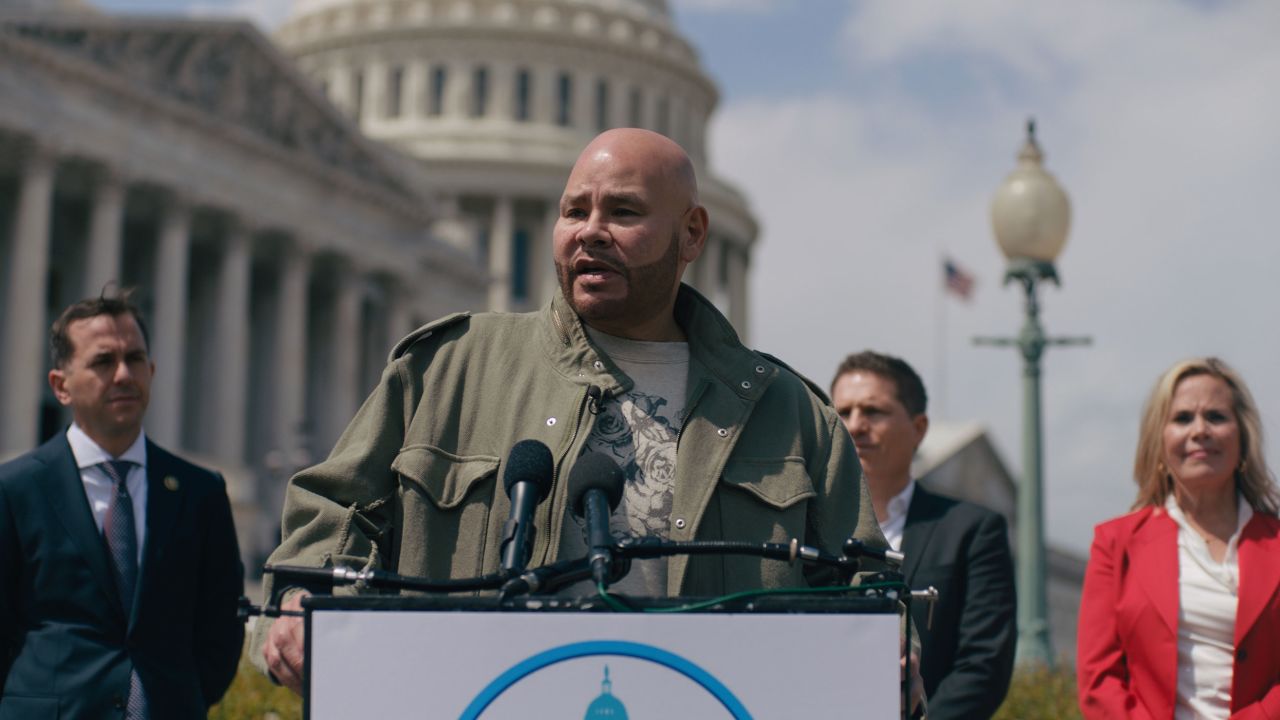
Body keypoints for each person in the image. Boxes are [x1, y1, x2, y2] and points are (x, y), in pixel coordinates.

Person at [254, 128, 892, 696]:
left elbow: (865, 587)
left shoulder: (789, 412)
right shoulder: (448, 369)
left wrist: (894, 657)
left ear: (692, 233)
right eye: (573, 211)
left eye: (624, 211)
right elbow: (333, 511)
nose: (590, 230)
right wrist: (302, 599)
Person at [0, 291, 245, 718]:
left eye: (134, 359)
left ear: (151, 371)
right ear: (60, 386)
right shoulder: (15, 489)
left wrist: (180, 699)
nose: (123, 375)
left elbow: (220, 627)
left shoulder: (200, 492)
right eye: (102, 361)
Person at [1077, 357, 1280, 719]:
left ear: (1243, 436)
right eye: (1183, 418)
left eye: (1216, 417)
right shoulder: (1115, 544)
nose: (1200, 430)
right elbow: (1099, 680)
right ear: (1160, 440)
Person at [831, 351, 1016, 720]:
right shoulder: (804, 530)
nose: (855, 425)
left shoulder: (973, 530)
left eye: (873, 411)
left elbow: (984, 664)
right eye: (843, 412)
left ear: (919, 428)